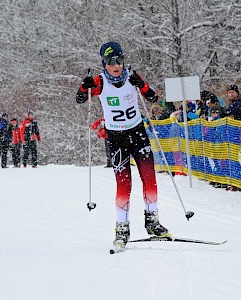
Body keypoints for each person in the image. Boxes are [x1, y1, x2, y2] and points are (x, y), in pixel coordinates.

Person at [76, 41, 169, 248]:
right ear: (104, 64)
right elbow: (80, 99)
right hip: (116, 138)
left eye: (119, 60)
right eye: (111, 61)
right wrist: (85, 86)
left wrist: (142, 85)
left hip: (137, 133)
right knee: (124, 184)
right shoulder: (100, 82)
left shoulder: (131, 77)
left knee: (149, 178)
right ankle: (122, 227)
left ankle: (152, 220)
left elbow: (154, 98)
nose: (116, 65)